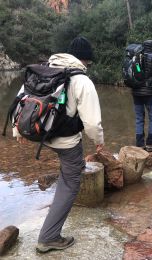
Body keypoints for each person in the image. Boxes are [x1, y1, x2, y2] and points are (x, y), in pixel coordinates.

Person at [13, 36, 104, 253]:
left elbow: (21, 101)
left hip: (41, 134)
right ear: (86, 60)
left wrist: (17, 129)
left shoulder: (43, 70)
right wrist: (99, 142)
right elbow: (92, 123)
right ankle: (49, 237)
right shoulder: (82, 80)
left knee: (73, 163)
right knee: (70, 183)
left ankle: (74, 168)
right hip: (65, 139)